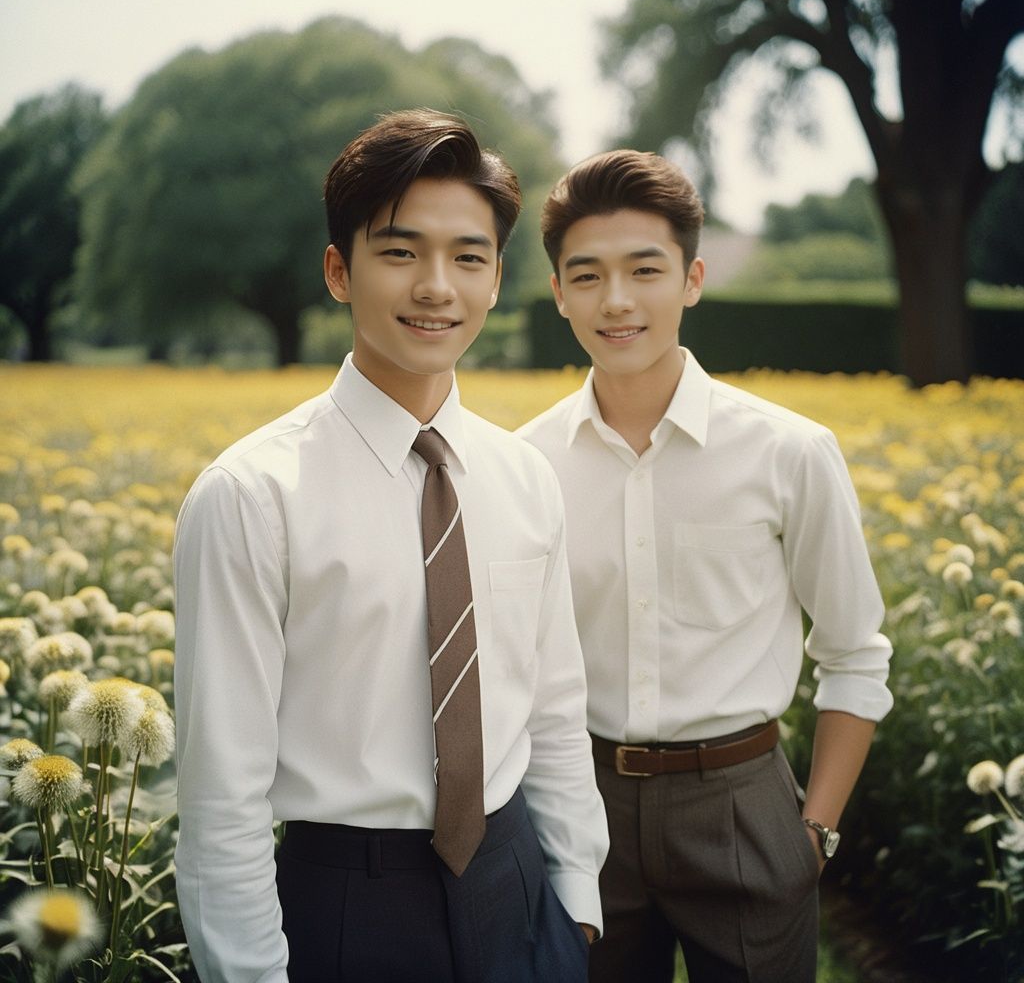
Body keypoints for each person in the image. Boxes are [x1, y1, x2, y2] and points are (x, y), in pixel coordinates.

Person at [173, 110, 608, 983]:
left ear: (493, 281)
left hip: (518, 888)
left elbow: (555, 711)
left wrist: (578, 910)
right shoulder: (252, 495)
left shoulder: (524, 476)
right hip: (346, 907)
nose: (436, 287)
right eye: (400, 252)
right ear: (340, 271)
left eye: (469, 257)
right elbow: (222, 796)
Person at [517, 149, 893, 983]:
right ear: (559, 294)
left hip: (742, 802)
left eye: (643, 270)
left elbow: (855, 655)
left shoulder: (790, 452)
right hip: (583, 805)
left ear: (691, 279)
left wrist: (814, 833)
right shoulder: (523, 466)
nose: (616, 301)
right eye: (588, 276)